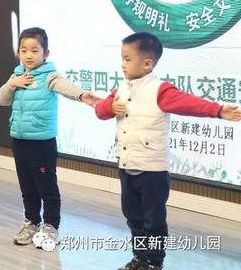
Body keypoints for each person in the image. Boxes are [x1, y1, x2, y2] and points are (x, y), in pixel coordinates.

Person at [94, 32, 241, 270]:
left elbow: (189, 103)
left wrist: (218, 110)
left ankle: (154, 262)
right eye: (122, 58)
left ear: (147, 63)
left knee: (153, 220)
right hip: (126, 165)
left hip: (152, 171)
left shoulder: (159, 90)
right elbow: (100, 111)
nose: (122, 64)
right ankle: (140, 258)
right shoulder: (120, 89)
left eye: (127, 59)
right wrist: (110, 106)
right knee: (133, 217)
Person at [0, 27, 100, 248]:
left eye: (34, 50)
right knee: (27, 186)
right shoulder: (16, 75)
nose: (28, 55)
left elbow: (65, 87)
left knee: (47, 187)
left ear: (46, 53)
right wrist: (12, 84)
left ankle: (51, 226)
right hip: (19, 140)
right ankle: (31, 222)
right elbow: (2, 99)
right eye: (24, 50)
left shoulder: (49, 76)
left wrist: (82, 95)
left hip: (42, 143)